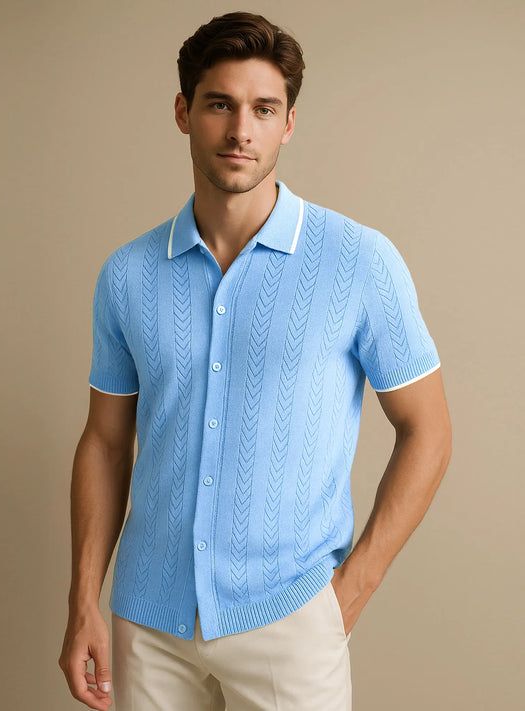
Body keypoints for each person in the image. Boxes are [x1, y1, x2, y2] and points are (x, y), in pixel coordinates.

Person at [58, 10, 452, 711]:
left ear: (288, 123)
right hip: (149, 621)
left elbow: (429, 430)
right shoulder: (127, 275)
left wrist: (349, 592)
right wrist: (83, 599)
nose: (241, 130)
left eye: (263, 109)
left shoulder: (359, 261)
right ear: (183, 112)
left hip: (290, 616)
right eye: (220, 105)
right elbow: (106, 442)